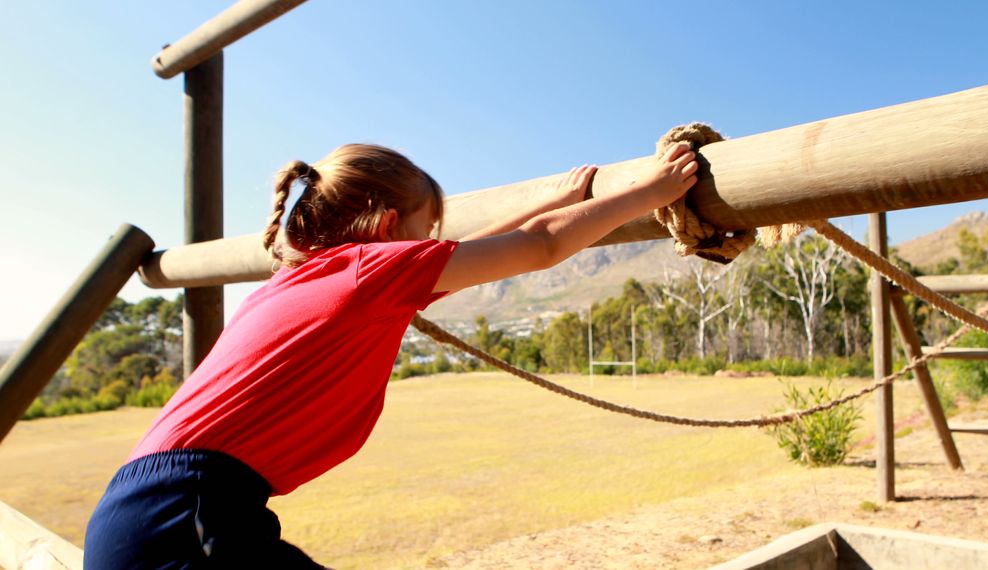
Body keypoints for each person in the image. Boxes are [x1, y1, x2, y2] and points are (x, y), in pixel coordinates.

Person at [83, 141, 699, 568]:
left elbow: (470, 253)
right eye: (424, 234)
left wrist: (551, 199)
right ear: (386, 227)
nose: (432, 249)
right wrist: (650, 190)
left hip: (154, 509)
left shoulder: (320, 275)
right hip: (186, 515)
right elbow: (537, 249)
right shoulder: (367, 273)